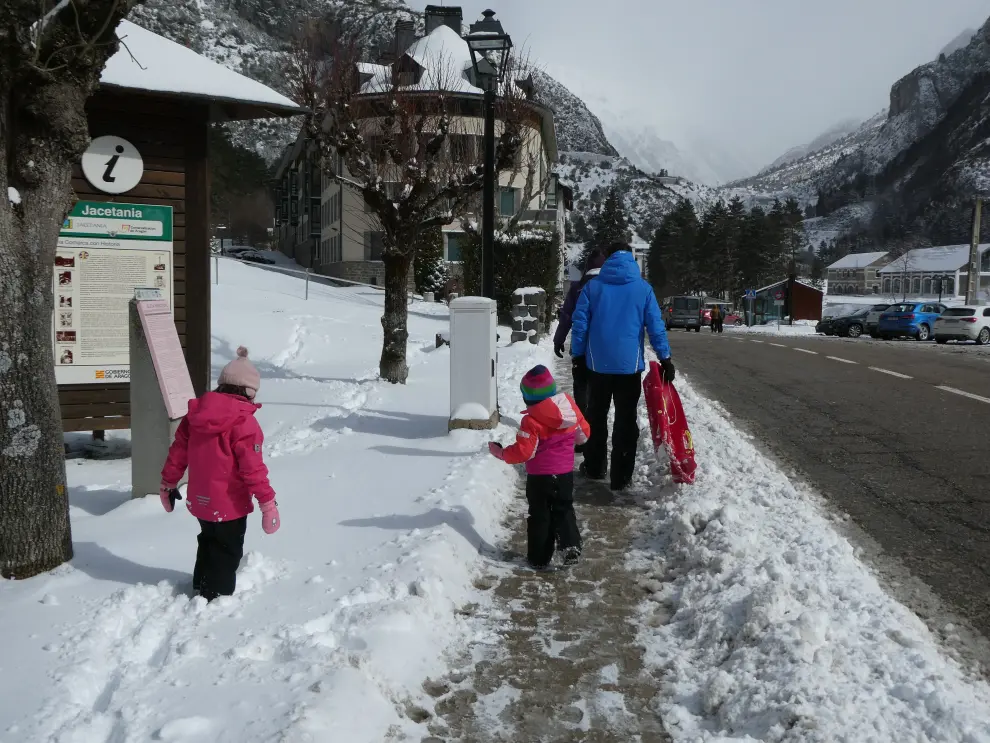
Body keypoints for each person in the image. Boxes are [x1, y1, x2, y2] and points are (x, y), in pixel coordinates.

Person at [160, 346, 279, 601]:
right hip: (229, 504)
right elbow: (252, 469)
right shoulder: (244, 422)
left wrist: (167, 484)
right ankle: (217, 598)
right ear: (248, 391)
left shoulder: (195, 415)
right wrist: (268, 503)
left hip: (200, 500)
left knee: (207, 540)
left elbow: (177, 454)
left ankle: (200, 586)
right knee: (227, 550)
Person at [570, 242, 675, 491]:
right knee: (626, 420)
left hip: (597, 366)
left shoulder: (593, 288)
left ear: (607, 258)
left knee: (596, 417)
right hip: (629, 369)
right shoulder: (643, 289)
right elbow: (655, 326)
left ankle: (595, 468)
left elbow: (580, 324)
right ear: (631, 258)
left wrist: (578, 357)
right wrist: (665, 358)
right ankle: (622, 476)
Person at [488, 365, 590, 569]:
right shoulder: (570, 409)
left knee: (540, 515)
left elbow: (524, 452)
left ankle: (539, 557)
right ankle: (570, 545)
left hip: (539, 478)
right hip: (564, 474)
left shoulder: (531, 420)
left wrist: (501, 453)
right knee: (564, 508)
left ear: (527, 398)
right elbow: (583, 435)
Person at [554, 250, 606, 421]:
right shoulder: (610, 287)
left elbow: (567, 316)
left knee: (581, 386)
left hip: (581, 347)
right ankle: (595, 426)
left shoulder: (577, 288)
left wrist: (559, 339)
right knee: (599, 390)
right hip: (603, 348)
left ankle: (583, 426)